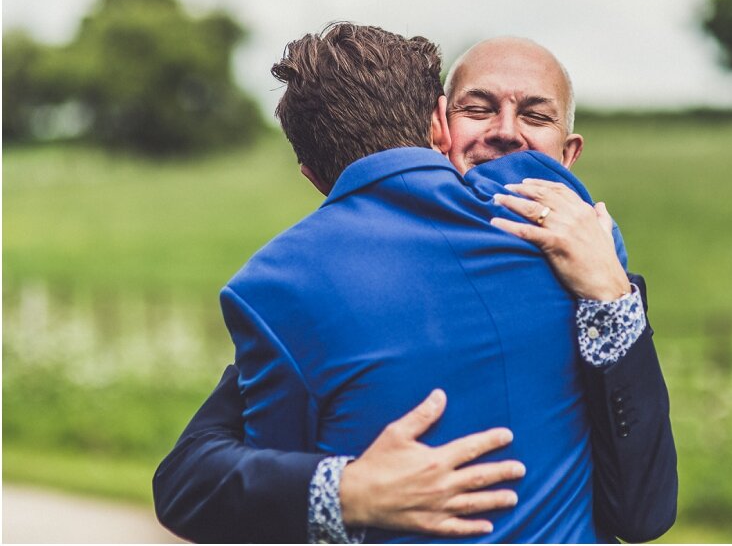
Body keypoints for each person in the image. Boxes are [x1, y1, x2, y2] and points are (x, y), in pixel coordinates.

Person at [153, 31, 677, 542]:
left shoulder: (586, 247)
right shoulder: (302, 288)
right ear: (439, 126)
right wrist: (347, 492)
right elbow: (193, 475)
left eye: (536, 116)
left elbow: (641, 509)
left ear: (567, 157)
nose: (506, 133)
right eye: (478, 109)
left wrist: (613, 297)